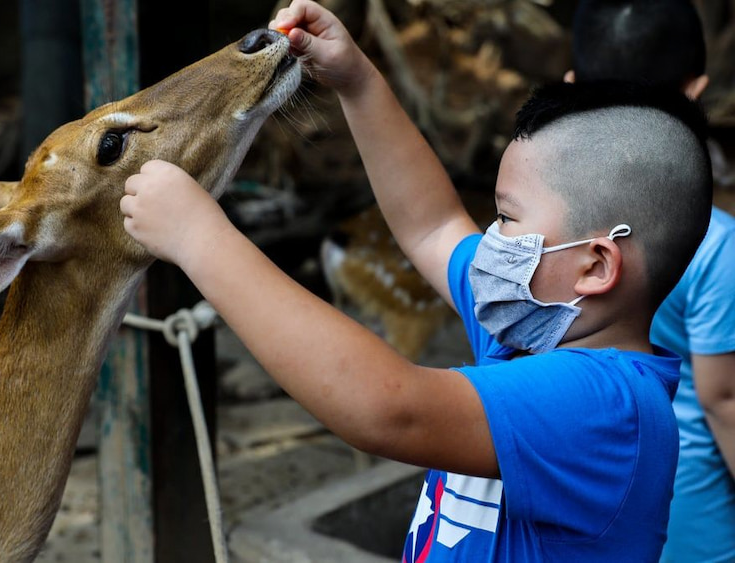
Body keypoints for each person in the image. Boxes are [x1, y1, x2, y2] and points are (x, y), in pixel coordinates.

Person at [119, 1, 713, 560]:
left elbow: (385, 407)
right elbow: (432, 226)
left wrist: (202, 241)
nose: (490, 237)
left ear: (595, 266)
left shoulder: (608, 408)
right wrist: (357, 82)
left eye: (507, 218)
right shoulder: (527, 335)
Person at [568, 2, 735, 561]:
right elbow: (723, 398)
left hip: (576, 502)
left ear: (570, 87)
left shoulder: (539, 227)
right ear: (697, 91)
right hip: (686, 522)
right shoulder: (715, 242)